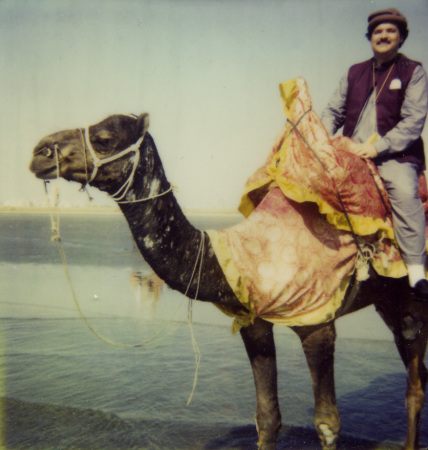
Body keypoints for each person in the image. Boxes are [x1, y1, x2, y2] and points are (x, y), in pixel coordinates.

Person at [321, 8, 428, 299]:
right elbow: (333, 111)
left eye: (390, 31)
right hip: (351, 151)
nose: (383, 35)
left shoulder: (414, 72)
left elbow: (413, 121)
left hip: (395, 155)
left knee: (405, 192)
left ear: (401, 37)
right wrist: (318, 136)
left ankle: (417, 272)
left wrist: (376, 147)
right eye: (377, 31)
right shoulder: (354, 72)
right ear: (370, 38)